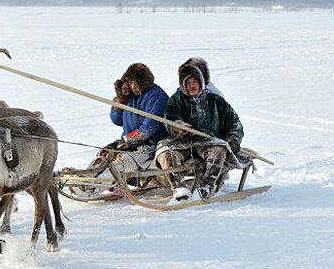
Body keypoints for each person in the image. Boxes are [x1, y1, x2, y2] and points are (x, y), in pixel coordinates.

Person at [155, 63, 244, 202]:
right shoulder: (176, 100)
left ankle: (206, 186)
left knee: (219, 149)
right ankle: (180, 189)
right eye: (188, 82)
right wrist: (178, 127)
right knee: (166, 153)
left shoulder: (216, 101)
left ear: (201, 82)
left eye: (194, 81)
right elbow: (170, 119)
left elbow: (235, 122)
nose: (191, 86)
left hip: (207, 141)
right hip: (180, 142)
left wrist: (234, 138)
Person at [90, 63, 169, 193]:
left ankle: (95, 187)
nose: (132, 87)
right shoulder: (130, 97)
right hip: (127, 142)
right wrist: (121, 99)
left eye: (135, 83)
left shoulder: (156, 95)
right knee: (104, 153)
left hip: (149, 144)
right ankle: (87, 178)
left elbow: (150, 127)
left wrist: (128, 140)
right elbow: (116, 120)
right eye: (129, 83)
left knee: (122, 162)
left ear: (143, 82)